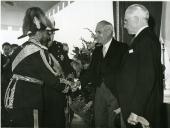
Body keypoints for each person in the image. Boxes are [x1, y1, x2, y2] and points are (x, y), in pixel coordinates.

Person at [4, 7, 69, 127]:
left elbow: (9, 72)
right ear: (39, 32)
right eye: (47, 33)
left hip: (13, 99)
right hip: (29, 100)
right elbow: (51, 78)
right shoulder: (38, 51)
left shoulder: (20, 48)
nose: (49, 37)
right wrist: (69, 87)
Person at [117, 4, 163, 128]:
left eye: (126, 21)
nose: (124, 25)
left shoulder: (146, 40)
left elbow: (147, 79)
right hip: (136, 108)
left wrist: (136, 110)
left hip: (141, 112)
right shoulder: (143, 38)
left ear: (136, 20)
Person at [80, 20, 127, 128]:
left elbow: (127, 74)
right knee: (99, 123)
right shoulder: (97, 51)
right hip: (99, 93)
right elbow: (91, 72)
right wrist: (78, 83)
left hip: (115, 94)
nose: (96, 36)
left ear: (109, 31)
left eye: (98, 32)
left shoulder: (122, 48)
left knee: (113, 124)